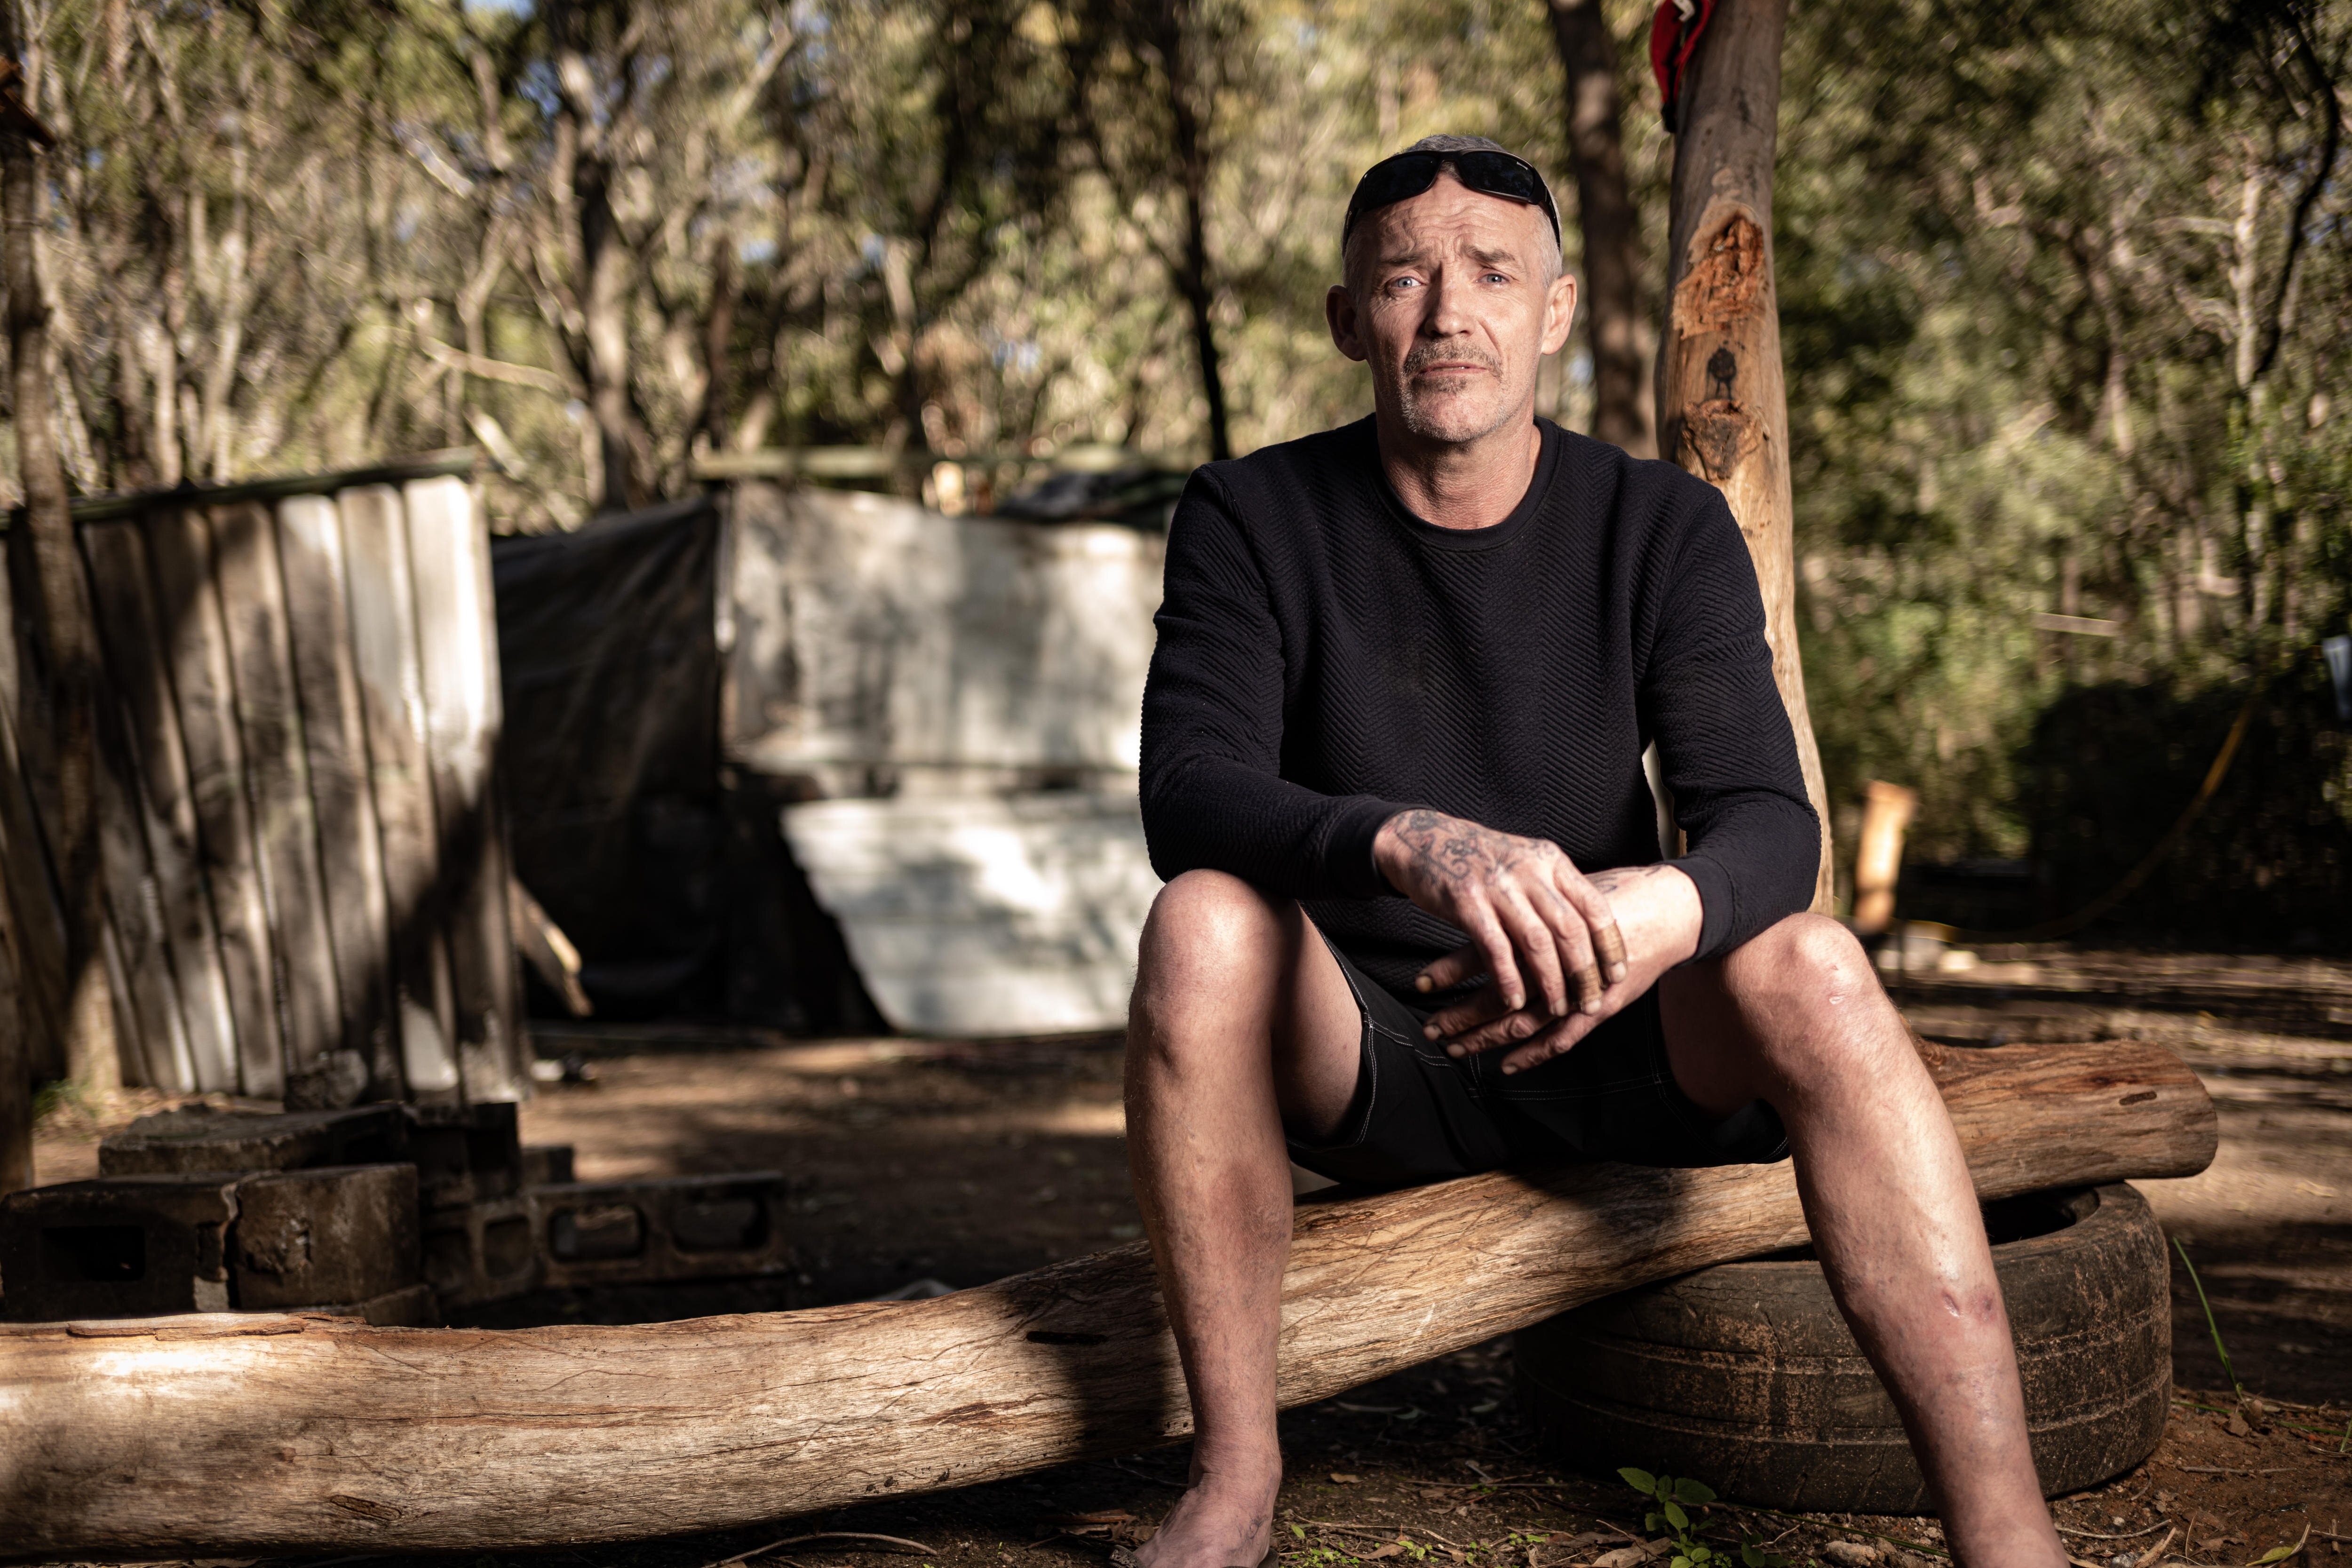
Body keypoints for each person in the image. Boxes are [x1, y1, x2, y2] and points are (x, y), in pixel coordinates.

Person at [1125, 135, 2069, 1568]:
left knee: (1810, 962)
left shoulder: (1661, 526)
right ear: (1348, 322)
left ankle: (2011, 1547)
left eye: (1494, 273)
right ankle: (1239, 1482)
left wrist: (1652, 920)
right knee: (1200, 922)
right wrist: (1407, 840)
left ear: (1553, 311)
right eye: (1404, 278)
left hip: (1626, 1037)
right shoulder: (1251, 516)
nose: (1450, 312)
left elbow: (1771, 824)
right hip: (1379, 1057)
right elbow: (1187, 795)